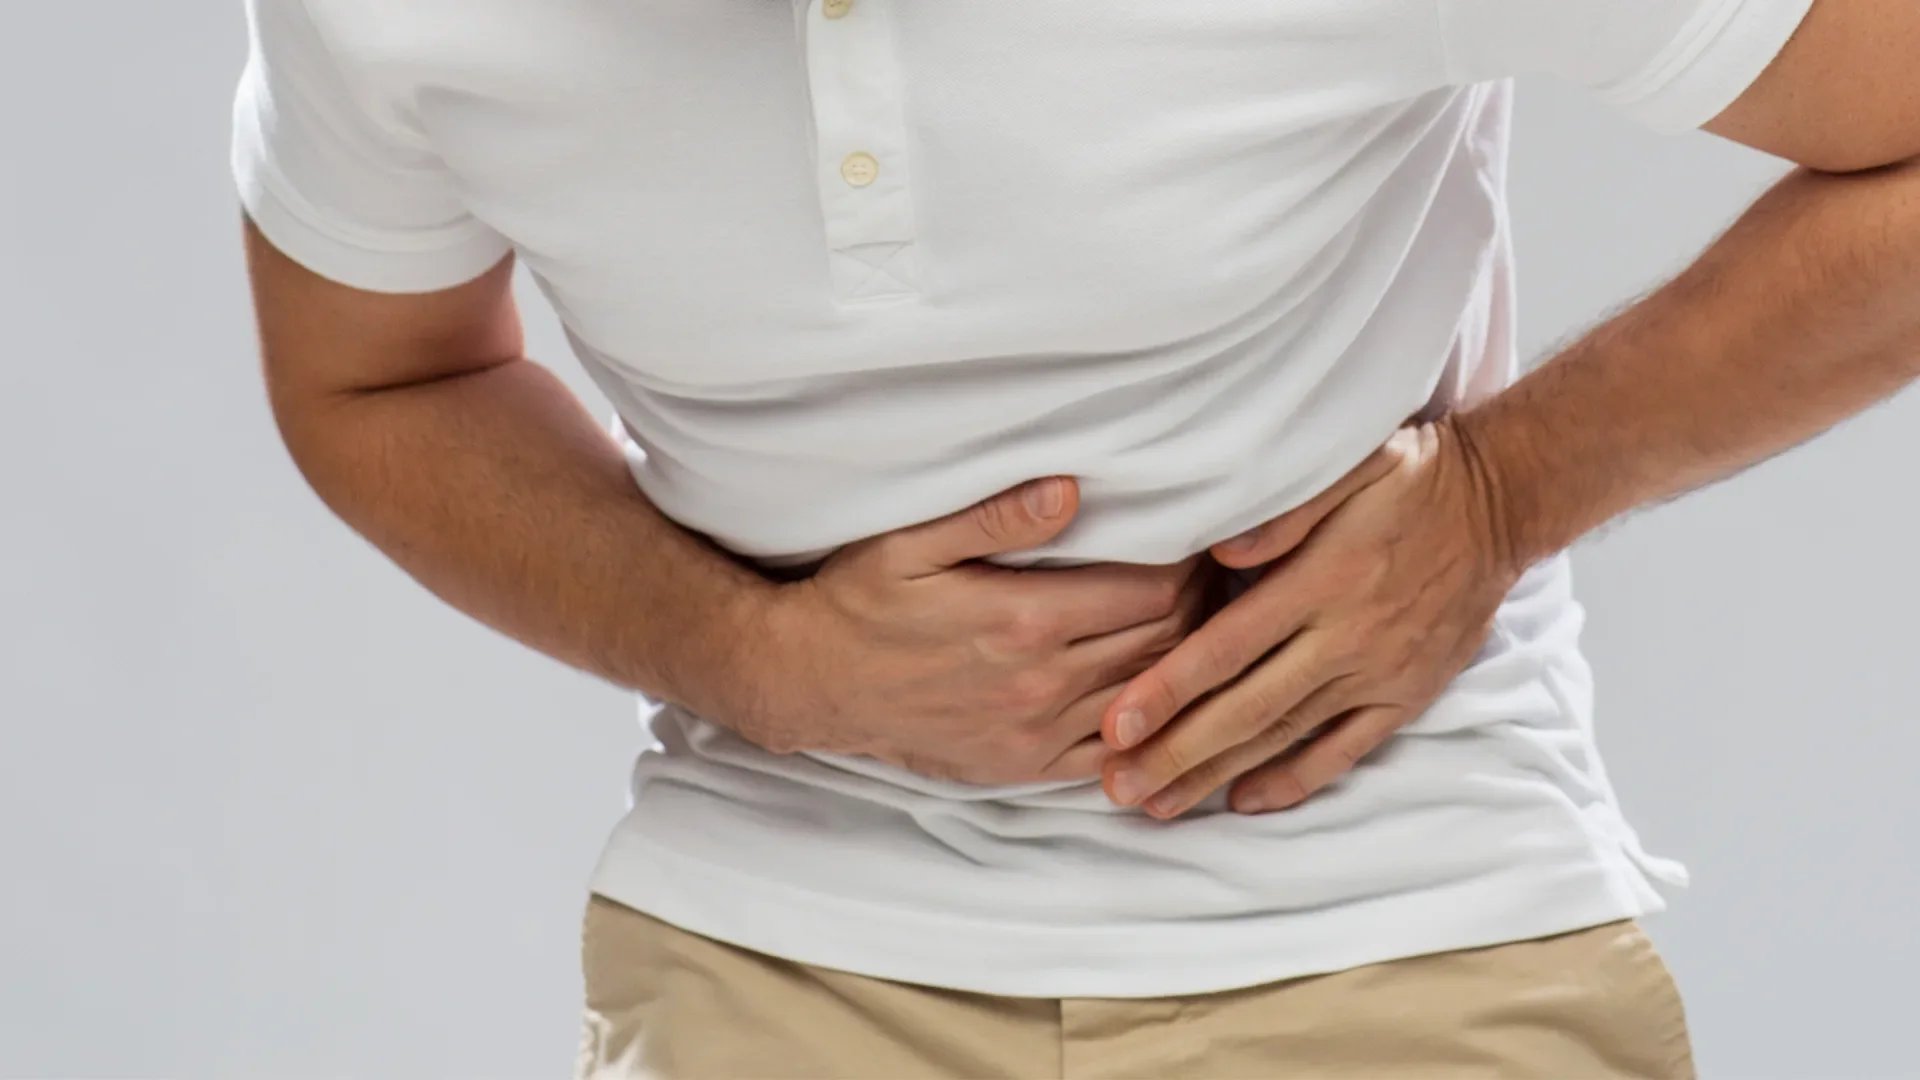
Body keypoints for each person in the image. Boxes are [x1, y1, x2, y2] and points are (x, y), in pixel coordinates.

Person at [230, 0, 1916, 1074]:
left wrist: (1505, 491)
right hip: (779, 956)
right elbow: (378, 375)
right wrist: (747, 652)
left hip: (1403, 929)